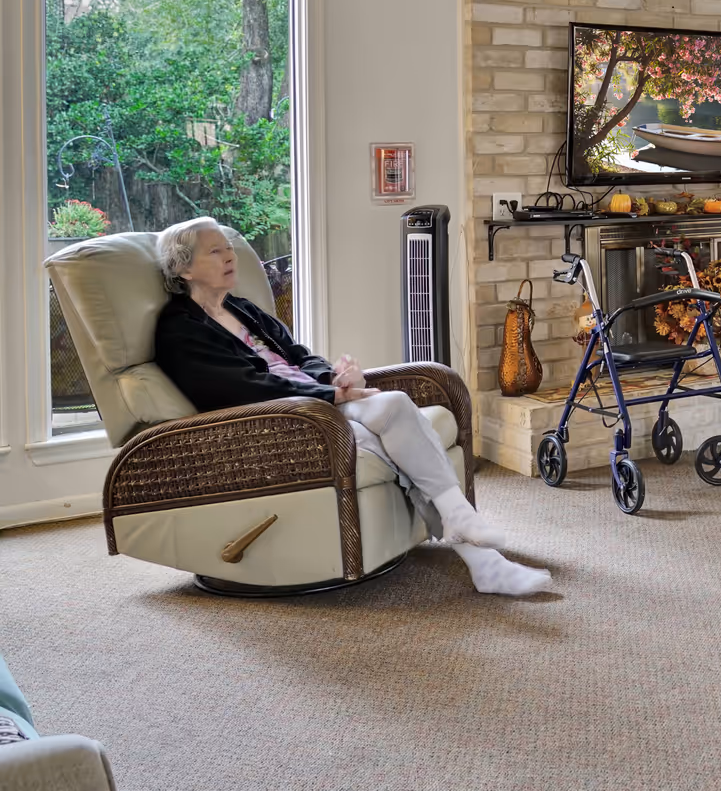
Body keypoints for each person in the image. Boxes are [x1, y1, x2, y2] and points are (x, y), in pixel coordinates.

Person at [151, 218, 552, 597]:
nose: (229, 257)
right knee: (371, 437)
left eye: (229, 249)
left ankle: (464, 526)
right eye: (215, 252)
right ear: (184, 269)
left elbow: (298, 354)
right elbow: (234, 389)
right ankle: (482, 559)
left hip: (313, 400)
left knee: (394, 402)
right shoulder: (180, 328)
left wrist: (333, 379)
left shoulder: (242, 308)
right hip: (278, 418)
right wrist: (329, 396)